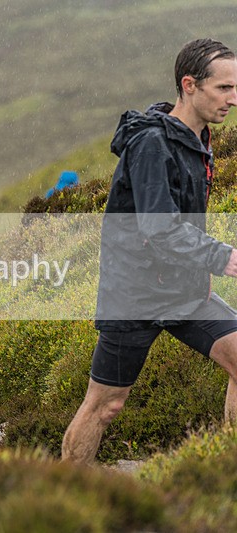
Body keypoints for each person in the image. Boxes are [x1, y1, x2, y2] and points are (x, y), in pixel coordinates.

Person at [62, 38, 237, 465]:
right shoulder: (151, 145)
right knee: (105, 405)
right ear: (189, 85)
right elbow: (159, 228)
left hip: (184, 293)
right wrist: (225, 257)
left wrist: (206, 265)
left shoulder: (198, 139)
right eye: (224, 89)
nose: (233, 99)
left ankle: (224, 474)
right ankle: (62, 489)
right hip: (134, 296)